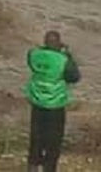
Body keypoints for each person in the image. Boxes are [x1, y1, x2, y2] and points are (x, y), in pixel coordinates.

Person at [25, 30, 80, 172]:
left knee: (36, 137)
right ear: (58, 44)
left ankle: (32, 166)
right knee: (53, 141)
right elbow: (74, 77)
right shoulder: (63, 60)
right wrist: (67, 54)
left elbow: (32, 62)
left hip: (37, 103)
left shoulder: (33, 55)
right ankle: (49, 168)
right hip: (55, 105)